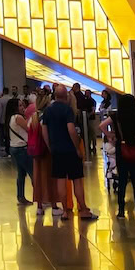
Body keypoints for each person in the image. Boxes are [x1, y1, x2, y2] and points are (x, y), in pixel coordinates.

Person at [42, 85, 96, 221]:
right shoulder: (68, 110)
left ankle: (65, 211)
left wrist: (50, 147)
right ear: (66, 96)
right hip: (70, 149)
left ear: (54, 95)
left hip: (56, 150)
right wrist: (77, 147)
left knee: (61, 180)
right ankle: (83, 210)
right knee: (77, 180)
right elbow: (71, 129)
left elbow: (44, 131)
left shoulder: (48, 110)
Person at [8, 95, 32, 204]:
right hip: (22, 149)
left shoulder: (11, 118)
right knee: (32, 173)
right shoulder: (18, 117)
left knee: (21, 173)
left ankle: (21, 196)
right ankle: (41, 198)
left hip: (14, 148)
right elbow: (29, 129)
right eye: (20, 105)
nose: (23, 107)